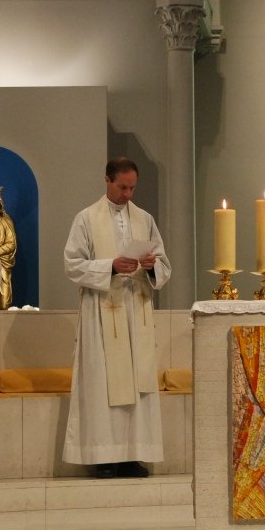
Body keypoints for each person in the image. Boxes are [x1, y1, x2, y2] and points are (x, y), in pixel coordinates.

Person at [63, 157, 171, 478]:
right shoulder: (86, 219)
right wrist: (110, 266)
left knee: (137, 384)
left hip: (135, 310)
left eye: (132, 188)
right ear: (107, 180)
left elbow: (164, 264)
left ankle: (133, 455)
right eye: (122, 187)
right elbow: (72, 264)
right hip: (102, 310)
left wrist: (151, 265)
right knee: (103, 384)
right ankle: (103, 457)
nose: (127, 194)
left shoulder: (144, 219)